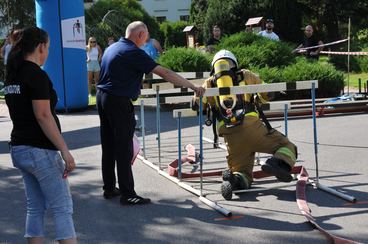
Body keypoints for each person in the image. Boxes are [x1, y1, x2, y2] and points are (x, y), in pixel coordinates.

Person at [97, 21, 205, 205]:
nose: (146, 41)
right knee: (124, 148)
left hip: (102, 97)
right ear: (140, 35)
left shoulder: (113, 47)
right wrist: (192, 86)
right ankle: (128, 194)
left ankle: (109, 188)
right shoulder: (133, 52)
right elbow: (164, 73)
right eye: (145, 37)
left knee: (108, 145)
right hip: (118, 101)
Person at [192, 50, 297, 200]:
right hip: (252, 128)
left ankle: (235, 181)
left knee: (243, 172)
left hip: (230, 135)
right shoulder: (246, 75)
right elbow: (265, 92)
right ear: (234, 63)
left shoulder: (209, 82)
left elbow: (198, 104)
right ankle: (277, 162)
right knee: (288, 147)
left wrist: (197, 100)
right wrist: (271, 93)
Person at [4, 27, 77, 243]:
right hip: (40, 150)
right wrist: (65, 150)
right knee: (62, 207)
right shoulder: (35, 74)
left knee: (35, 206)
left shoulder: (13, 74)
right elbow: (43, 115)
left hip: (20, 148)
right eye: (48, 48)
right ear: (41, 46)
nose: (47, 53)